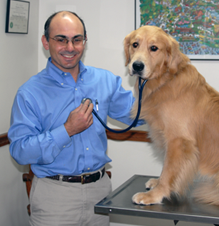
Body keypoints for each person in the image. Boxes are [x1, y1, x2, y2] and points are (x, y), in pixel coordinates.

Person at [8, 11, 144, 226]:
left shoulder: (105, 80)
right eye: (61, 39)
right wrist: (67, 130)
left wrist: (170, 94)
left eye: (77, 40)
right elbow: (20, 151)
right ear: (46, 42)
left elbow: (138, 115)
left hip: (100, 190)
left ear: (84, 42)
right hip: (55, 197)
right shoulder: (30, 92)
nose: (70, 48)